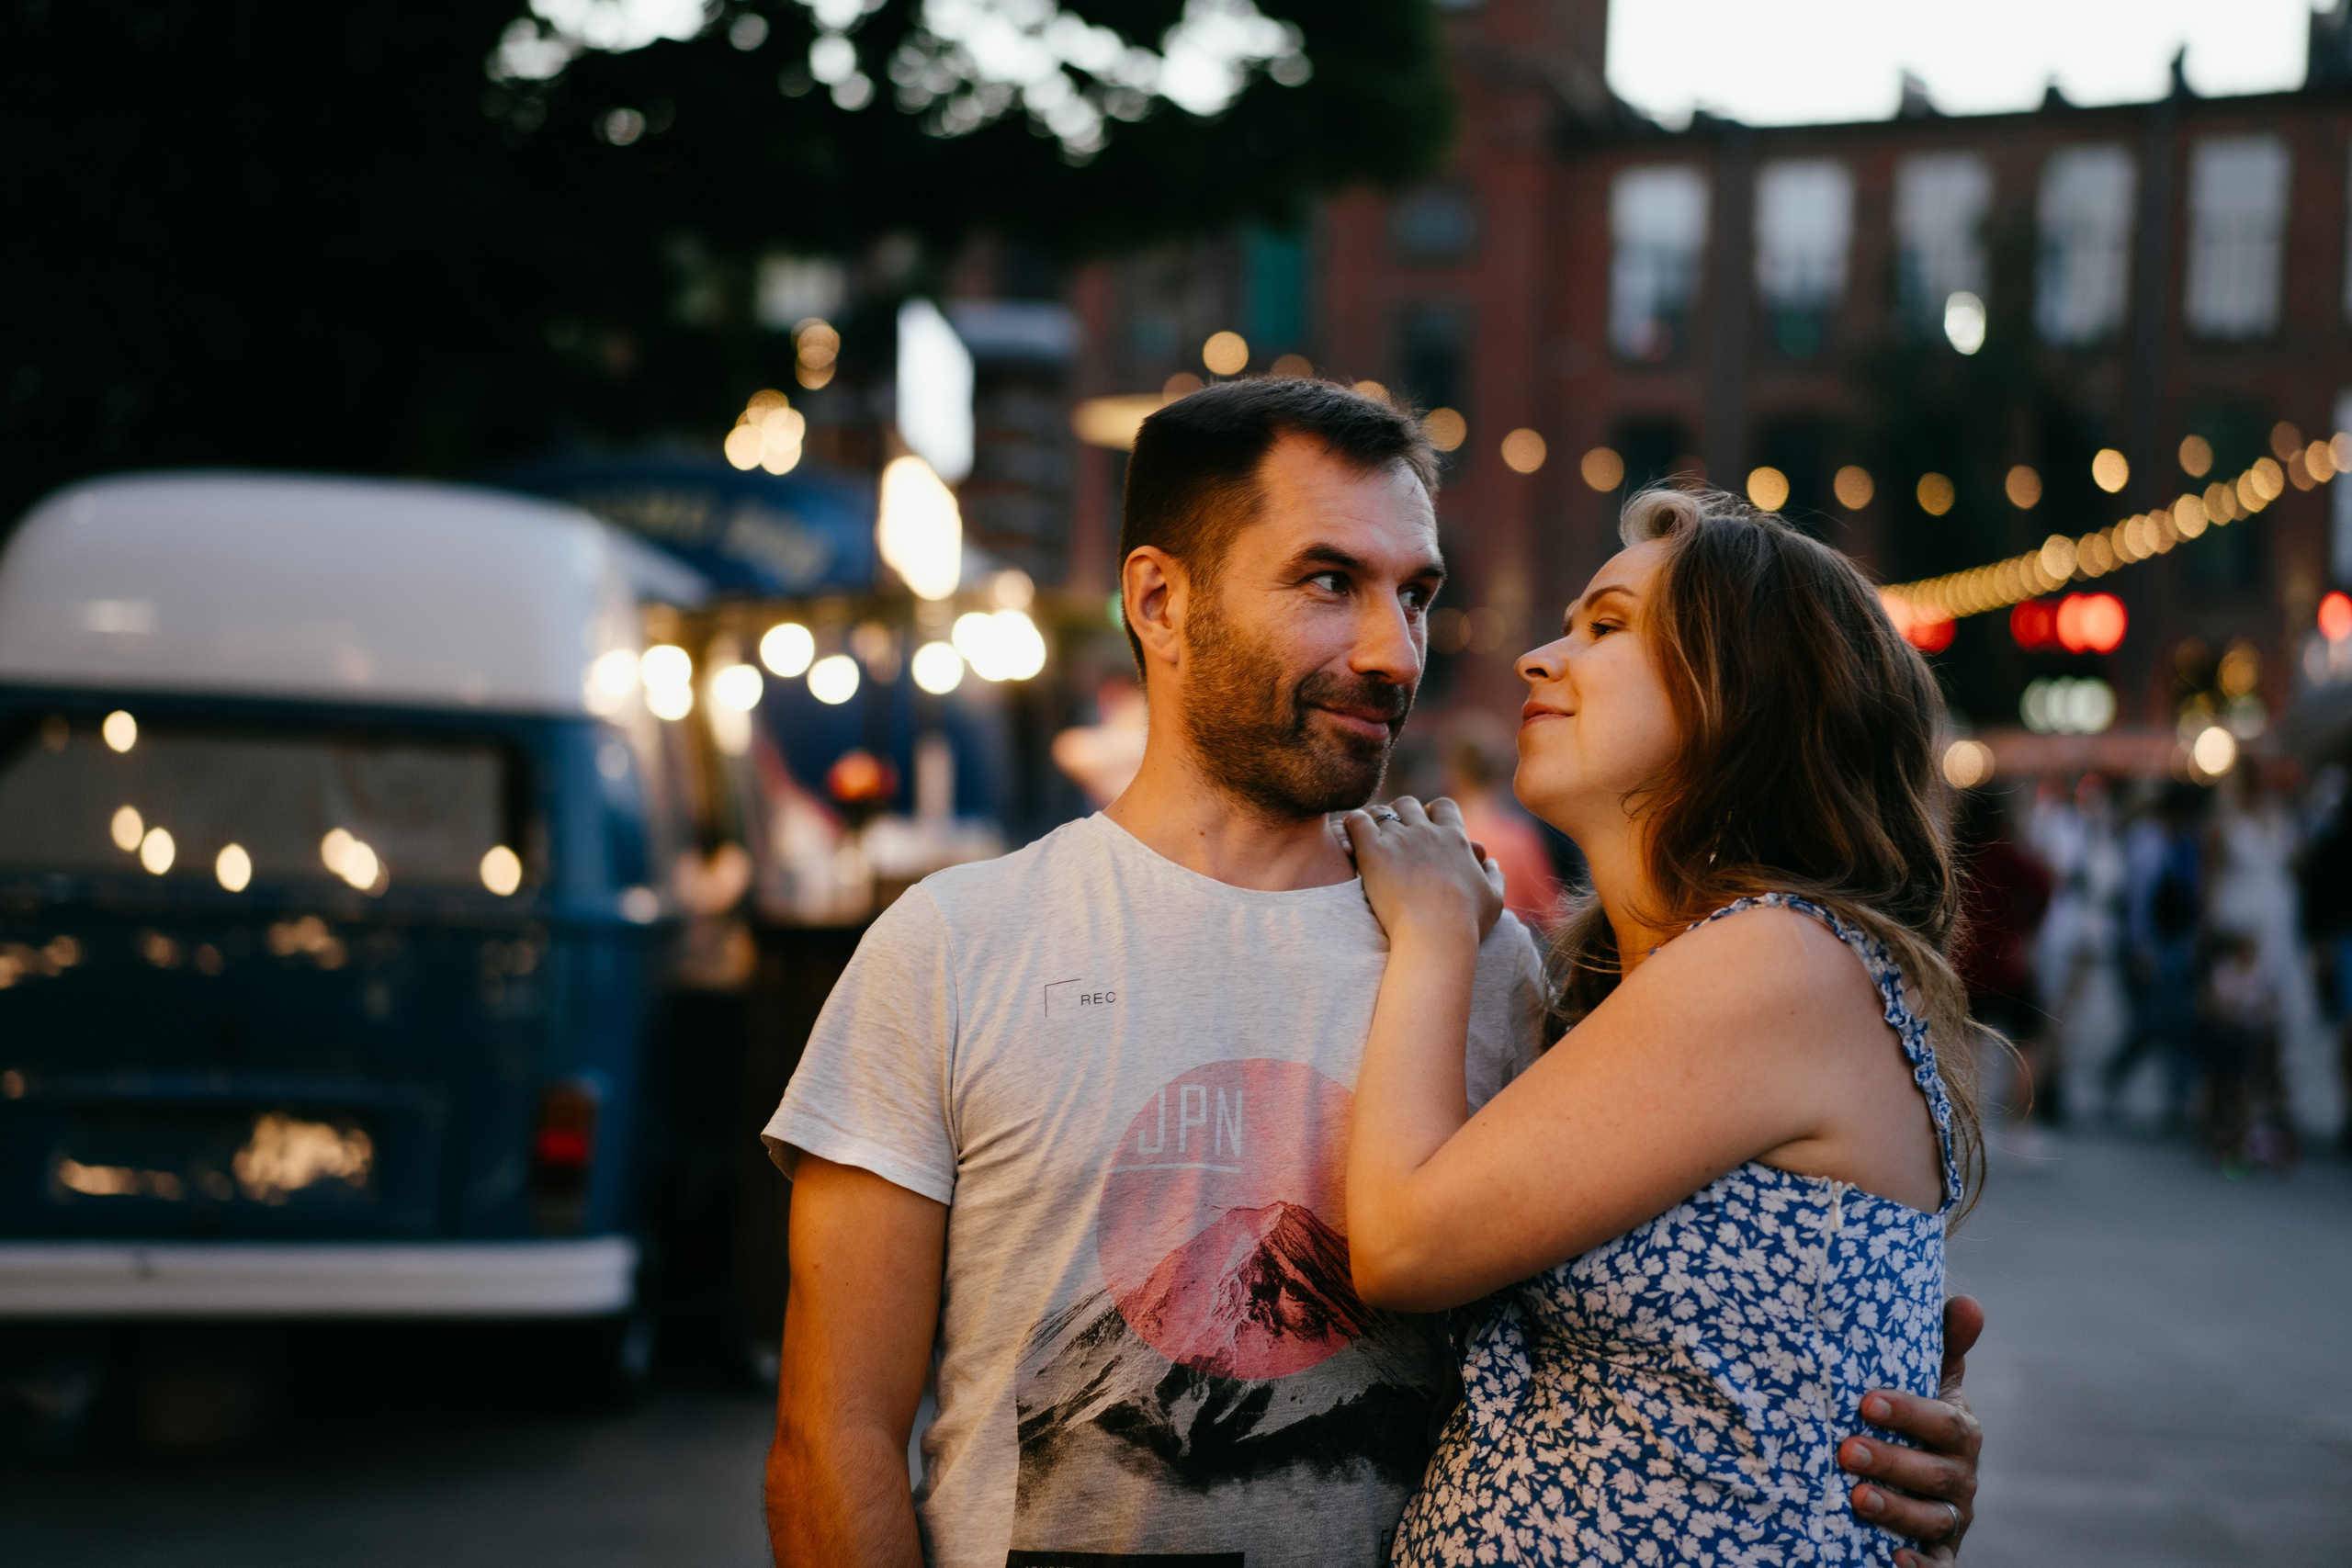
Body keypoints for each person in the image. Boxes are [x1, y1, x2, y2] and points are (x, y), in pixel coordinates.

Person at [760, 380, 1983, 1566]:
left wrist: (1858, 1430)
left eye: (1417, 594)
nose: (1396, 653)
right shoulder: (954, 945)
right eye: (1331, 582)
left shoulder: (1503, 973)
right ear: (1160, 599)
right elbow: (833, 1439)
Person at [1340, 486, 1980, 1565]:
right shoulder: (1678, 978)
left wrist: (1437, 934)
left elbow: (1402, 1244)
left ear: (1744, 696)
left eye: (1604, 628)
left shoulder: (1780, 957)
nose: (1540, 659)